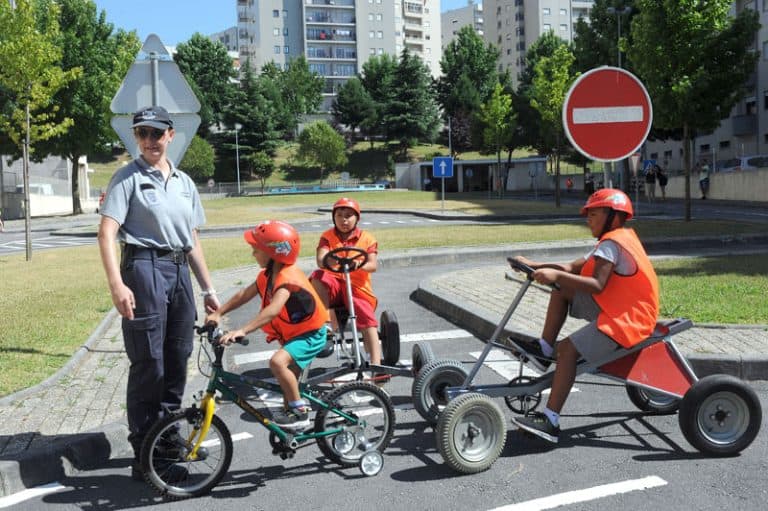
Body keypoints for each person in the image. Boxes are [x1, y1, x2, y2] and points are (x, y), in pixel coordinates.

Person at [97, 105, 220, 480]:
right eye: (142, 133)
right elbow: (106, 234)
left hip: (179, 269)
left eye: (156, 132)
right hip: (144, 268)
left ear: (170, 135)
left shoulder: (184, 182)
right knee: (149, 360)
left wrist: (208, 288)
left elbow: (192, 238)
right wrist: (117, 284)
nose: (149, 140)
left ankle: (166, 440)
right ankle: (145, 451)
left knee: (177, 355)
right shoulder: (127, 178)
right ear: (136, 137)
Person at [508, 189, 659, 444]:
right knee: (562, 288)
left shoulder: (613, 244)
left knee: (567, 350)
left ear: (613, 215)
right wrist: (533, 265)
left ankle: (550, 421)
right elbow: (568, 269)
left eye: (594, 214)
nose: (588, 219)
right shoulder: (610, 241)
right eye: (588, 214)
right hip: (618, 309)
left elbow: (597, 284)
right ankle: (544, 350)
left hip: (627, 320)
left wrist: (556, 277)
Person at [205, 221, 329, 429]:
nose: (253, 254)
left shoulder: (287, 277)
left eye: (257, 250)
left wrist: (242, 330)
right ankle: (291, 419)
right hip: (295, 334)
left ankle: (300, 413)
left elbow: (273, 310)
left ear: (275, 254)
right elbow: (244, 294)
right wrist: (219, 312)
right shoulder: (267, 275)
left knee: (278, 363)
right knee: (287, 383)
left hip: (311, 334)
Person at [310, 197, 383, 372]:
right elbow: (321, 260)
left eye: (349, 216)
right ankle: (325, 324)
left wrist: (358, 264)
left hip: (357, 288)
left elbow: (372, 265)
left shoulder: (367, 238)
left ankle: (376, 365)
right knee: (318, 276)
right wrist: (330, 259)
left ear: (357, 218)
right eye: (340, 215)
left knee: (367, 319)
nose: (344, 220)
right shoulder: (327, 237)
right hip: (334, 284)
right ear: (333, 217)